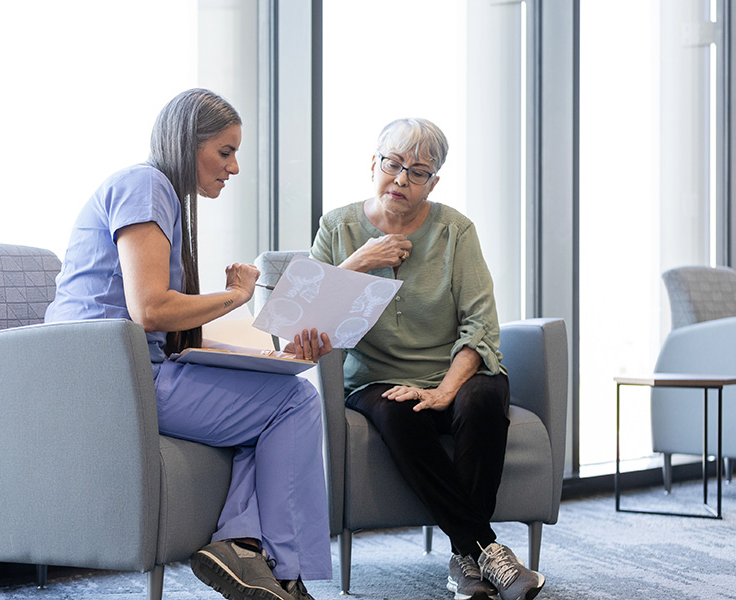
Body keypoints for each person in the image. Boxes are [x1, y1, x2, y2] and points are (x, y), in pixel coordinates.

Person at [45, 88, 332, 600]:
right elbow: (152, 309)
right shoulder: (146, 184)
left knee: (281, 393)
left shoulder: (157, 195)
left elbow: (176, 342)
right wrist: (235, 295)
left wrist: (269, 359)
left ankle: (244, 547)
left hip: (128, 369)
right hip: (111, 379)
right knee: (294, 404)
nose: (235, 168)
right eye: (225, 152)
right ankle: (283, 571)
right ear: (187, 143)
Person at [309, 118, 545, 600]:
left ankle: (466, 560)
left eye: (417, 172)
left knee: (483, 400)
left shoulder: (456, 231)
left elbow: (480, 325)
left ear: (433, 182)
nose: (400, 180)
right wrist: (360, 262)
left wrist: (442, 391)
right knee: (398, 412)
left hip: (456, 370)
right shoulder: (337, 226)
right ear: (372, 164)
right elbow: (308, 323)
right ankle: (486, 551)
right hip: (376, 376)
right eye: (392, 165)